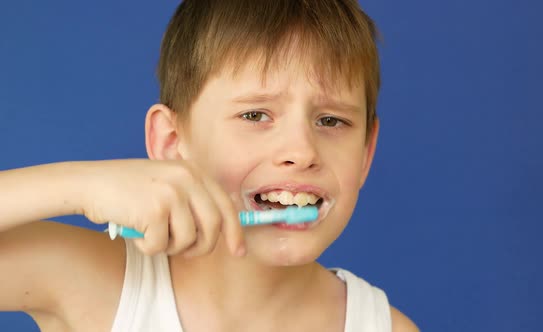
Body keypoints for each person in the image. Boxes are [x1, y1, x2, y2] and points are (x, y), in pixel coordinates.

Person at [0, 0, 419, 331]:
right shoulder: (89, 282)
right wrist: (80, 186)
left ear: (366, 153)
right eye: (256, 115)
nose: (302, 151)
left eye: (331, 121)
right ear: (171, 141)